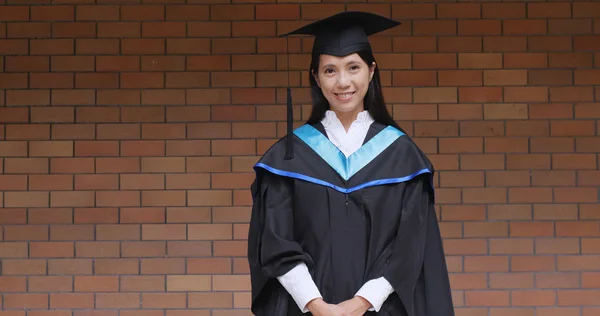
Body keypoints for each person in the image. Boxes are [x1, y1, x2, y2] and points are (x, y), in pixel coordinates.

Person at [247, 11, 455, 316]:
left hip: (382, 309)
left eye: (353, 67)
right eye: (330, 70)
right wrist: (317, 307)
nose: (343, 82)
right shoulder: (289, 158)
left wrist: (360, 304)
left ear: (371, 72)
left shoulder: (401, 155)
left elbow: (410, 243)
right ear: (316, 78)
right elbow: (276, 241)